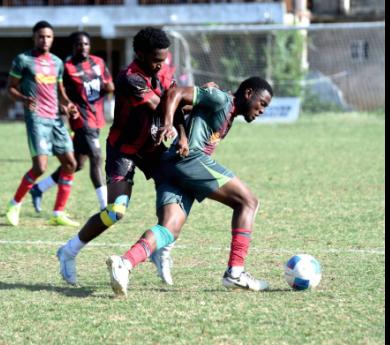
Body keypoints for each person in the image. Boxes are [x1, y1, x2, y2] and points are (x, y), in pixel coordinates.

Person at [106, 76, 273, 297]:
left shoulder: (225, 109)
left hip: (173, 165)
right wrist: (168, 123)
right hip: (189, 159)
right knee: (249, 202)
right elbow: (174, 93)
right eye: (262, 103)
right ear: (248, 93)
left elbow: (184, 105)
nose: (262, 110)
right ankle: (236, 271)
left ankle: (124, 264)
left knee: (169, 229)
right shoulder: (222, 99)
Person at [56, 27, 181, 286]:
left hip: (153, 149)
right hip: (124, 151)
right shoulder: (130, 78)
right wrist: (197, 100)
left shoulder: (164, 70)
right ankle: (68, 251)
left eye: (164, 60)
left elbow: (176, 100)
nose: (161, 65)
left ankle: (161, 249)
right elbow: (163, 105)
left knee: (178, 193)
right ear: (140, 54)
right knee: (115, 212)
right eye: (156, 60)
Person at [29, 31, 115, 213]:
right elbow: (58, 91)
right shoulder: (67, 67)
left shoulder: (98, 62)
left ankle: (39, 188)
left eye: (85, 44)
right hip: (81, 119)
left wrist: (108, 88)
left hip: (97, 116)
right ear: (73, 47)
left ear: (89, 46)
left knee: (77, 163)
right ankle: (105, 205)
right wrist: (64, 106)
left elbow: (109, 85)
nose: (82, 47)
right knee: (97, 157)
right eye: (78, 44)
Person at [5, 20, 80, 227]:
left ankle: (58, 212)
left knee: (70, 164)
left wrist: (68, 105)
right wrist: (23, 99)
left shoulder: (57, 62)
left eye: (48, 36)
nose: (44, 40)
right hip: (37, 119)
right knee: (40, 167)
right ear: (34, 37)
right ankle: (14, 204)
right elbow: (10, 88)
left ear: (52, 38)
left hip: (56, 119)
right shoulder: (23, 60)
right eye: (40, 36)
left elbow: (60, 91)